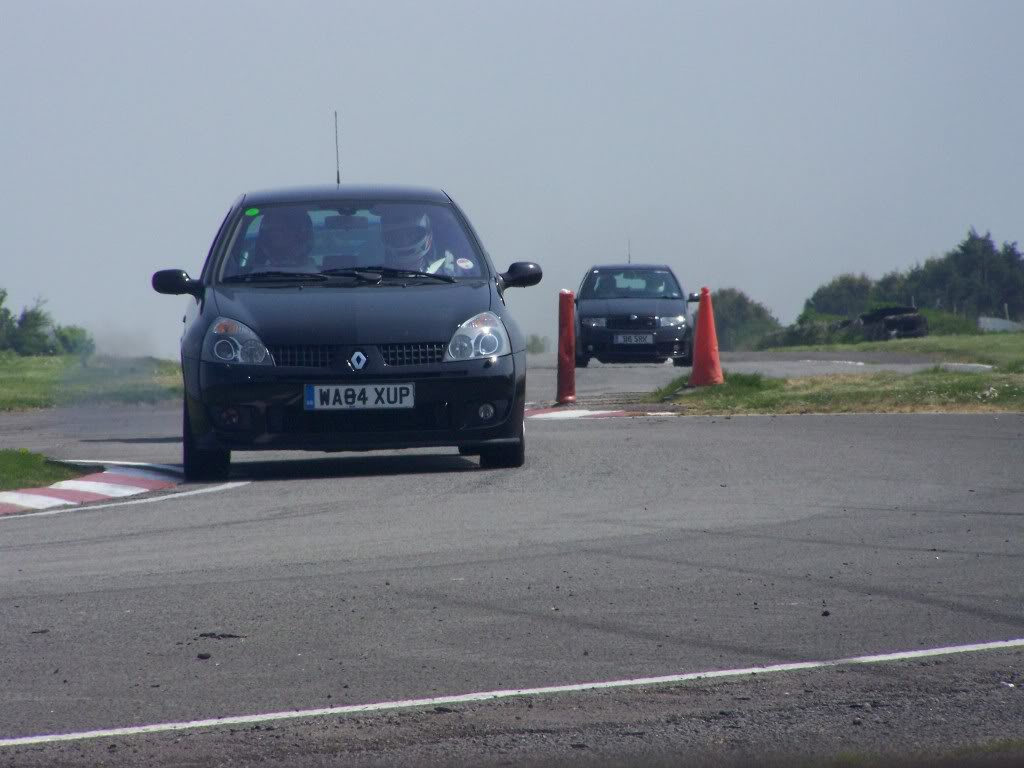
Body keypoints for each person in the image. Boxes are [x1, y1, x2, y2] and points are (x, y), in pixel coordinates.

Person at [380, 207, 478, 276]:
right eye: (397, 236)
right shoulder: (373, 276)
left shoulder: (451, 274)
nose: (404, 241)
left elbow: (475, 278)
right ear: (387, 238)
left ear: (426, 234)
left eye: (411, 234)